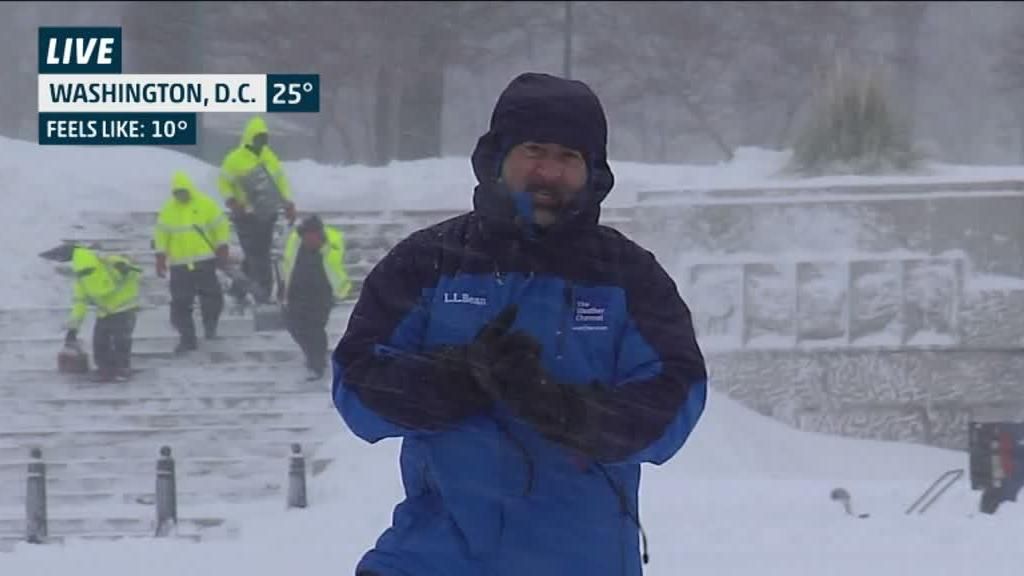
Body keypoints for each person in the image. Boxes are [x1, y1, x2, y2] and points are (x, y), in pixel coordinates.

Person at [331, 72, 708, 576]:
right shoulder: (426, 263)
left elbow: (677, 396)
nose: (549, 171)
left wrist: (566, 410)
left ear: (593, 172)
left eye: (569, 157)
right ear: (497, 157)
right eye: (534, 150)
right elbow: (355, 385)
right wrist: (456, 379)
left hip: (580, 559)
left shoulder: (631, 277)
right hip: (435, 557)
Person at [218, 115, 296, 304]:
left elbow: (280, 182)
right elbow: (223, 182)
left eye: (264, 138)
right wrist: (232, 202)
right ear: (249, 137)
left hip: (267, 213)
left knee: (258, 253)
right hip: (244, 215)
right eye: (258, 138)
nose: (261, 142)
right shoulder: (234, 159)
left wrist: (288, 203)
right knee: (257, 255)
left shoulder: (269, 158)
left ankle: (239, 288)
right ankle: (263, 291)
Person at [154, 171, 231, 354]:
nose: (181, 195)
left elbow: (220, 225)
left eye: (183, 191)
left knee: (212, 297)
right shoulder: (168, 210)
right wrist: (160, 256)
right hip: (179, 265)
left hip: (204, 261)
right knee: (180, 303)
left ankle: (210, 325)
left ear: (190, 189)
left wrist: (222, 246)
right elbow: (161, 234)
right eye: (177, 192)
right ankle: (187, 339)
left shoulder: (206, 205)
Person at [48, 244, 142, 382]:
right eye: (85, 272)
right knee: (100, 343)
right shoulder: (82, 279)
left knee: (121, 341)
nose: (88, 275)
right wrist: (73, 329)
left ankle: (122, 369)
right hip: (105, 312)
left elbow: (135, 271)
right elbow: (80, 303)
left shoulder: (109, 262)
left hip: (124, 309)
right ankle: (106, 370)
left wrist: (125, 268)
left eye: (89, 271)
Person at [280, 214, 352, 381]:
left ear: (319, 234)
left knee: (314, 328)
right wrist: (283, 288)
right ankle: (313, 356)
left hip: (321, 293)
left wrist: (323, 247)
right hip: (296, 293)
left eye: (313, 235)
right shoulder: (295, 241)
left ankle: (316, 364)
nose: (309, 239)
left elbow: (335, 263)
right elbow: (288, 264)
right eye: (306, 235)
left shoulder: (332, 242)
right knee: (294, 325)